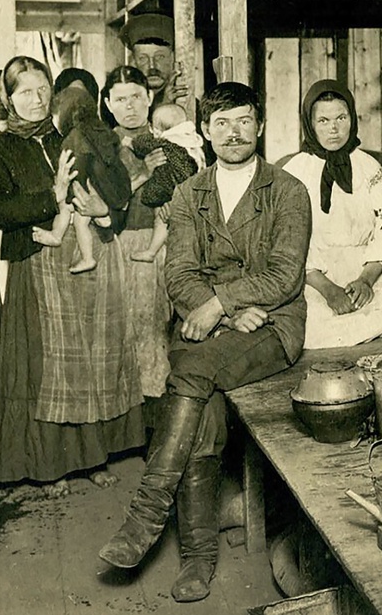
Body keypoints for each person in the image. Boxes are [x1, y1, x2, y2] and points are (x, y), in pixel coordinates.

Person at [99, 82, 311, 603]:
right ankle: (197, 557)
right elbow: (179, 273)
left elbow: (285, 275)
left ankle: (146, 517)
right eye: (221, 123)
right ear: (205, 131)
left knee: (190, 375)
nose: (233, 133)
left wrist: (221, 303)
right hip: (203, 325)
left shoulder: (287, 190)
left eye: (243, 121)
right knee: (204, 411)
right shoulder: (188, 192)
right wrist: (219, 312)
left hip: (271, 326)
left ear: (260, 126)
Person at [0, 55, 143, 493]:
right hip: (36, 264)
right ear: (7, 98)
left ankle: (93, 458)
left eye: (42, 90)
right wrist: (52, 198)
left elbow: (115, 190)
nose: (36, 100)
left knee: (89, 362)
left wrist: (104, 210)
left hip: (88, 260)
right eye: (24, 92)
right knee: (45, 369)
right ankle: (49, 465)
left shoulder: (73, 136)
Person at [281, 79, 382, 349]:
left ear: (352, 119)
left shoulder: (369, 168)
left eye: (341, 118)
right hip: (312, 278)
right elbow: (287, 243)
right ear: (310, 124)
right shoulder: (294, 172)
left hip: (364, 270)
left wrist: (365, 281)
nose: (334, 129)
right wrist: (329, 291)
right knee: (306, 324)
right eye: (323, 121)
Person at [102, 65, 175, 399]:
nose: (129, 106)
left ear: (149, 97)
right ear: (108, 104)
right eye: (120, 99)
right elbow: (102, 202)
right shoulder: (104, 146)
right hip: (123, 246)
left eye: (135, 96)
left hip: (168, 243)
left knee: (164, 328)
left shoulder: (168, 136)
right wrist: (143, 174)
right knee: (131, 331)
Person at [31, 86, 132, 274]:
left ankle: (64, 241)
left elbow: (76, 171)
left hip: (89, 190)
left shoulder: (74, 137)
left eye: (54, 116)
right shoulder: (99, 130)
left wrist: (68, 198)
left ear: (65, 114)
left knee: (73, 215)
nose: (53, 122)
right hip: (110, 190)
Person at [129, 103, 204, 264]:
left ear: (156, 130)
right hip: (191, 190)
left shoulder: (167, 142)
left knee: (160, 218)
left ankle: (151, 251)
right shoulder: (191, 139)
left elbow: (142, 145)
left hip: (171, 190)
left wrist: (130, 142)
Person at [118, 13, 191, 111]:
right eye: (143, 58)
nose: (152, 66)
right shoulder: (124, 104)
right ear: (134, 62)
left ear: (173, 58)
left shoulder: (188, 102)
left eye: (160, 57)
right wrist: (165, 104)